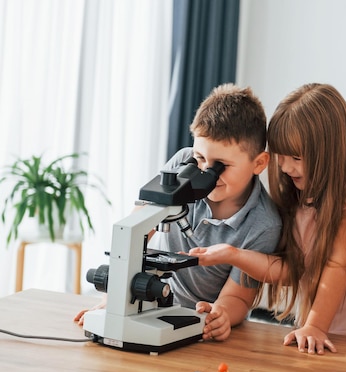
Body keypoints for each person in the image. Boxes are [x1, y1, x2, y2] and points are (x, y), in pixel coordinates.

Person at [187, 83, 346, 354]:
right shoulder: (303, 195)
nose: (285, 167)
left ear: (328, 152)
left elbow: (338, 262)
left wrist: (317, 327)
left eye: (296, 157)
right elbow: (289, 270)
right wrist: (232, 254)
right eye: (281, 156)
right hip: (311, 337)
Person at [74, 83, 282, 341]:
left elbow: (238, 295)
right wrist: (114, 300)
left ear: (259, 163)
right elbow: (138, 226)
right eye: (200, 159)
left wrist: (222, 315)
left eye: (221, 166)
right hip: (148, 300)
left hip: (199, 320)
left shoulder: (263, 224)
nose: (206, 172)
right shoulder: (184, 163)